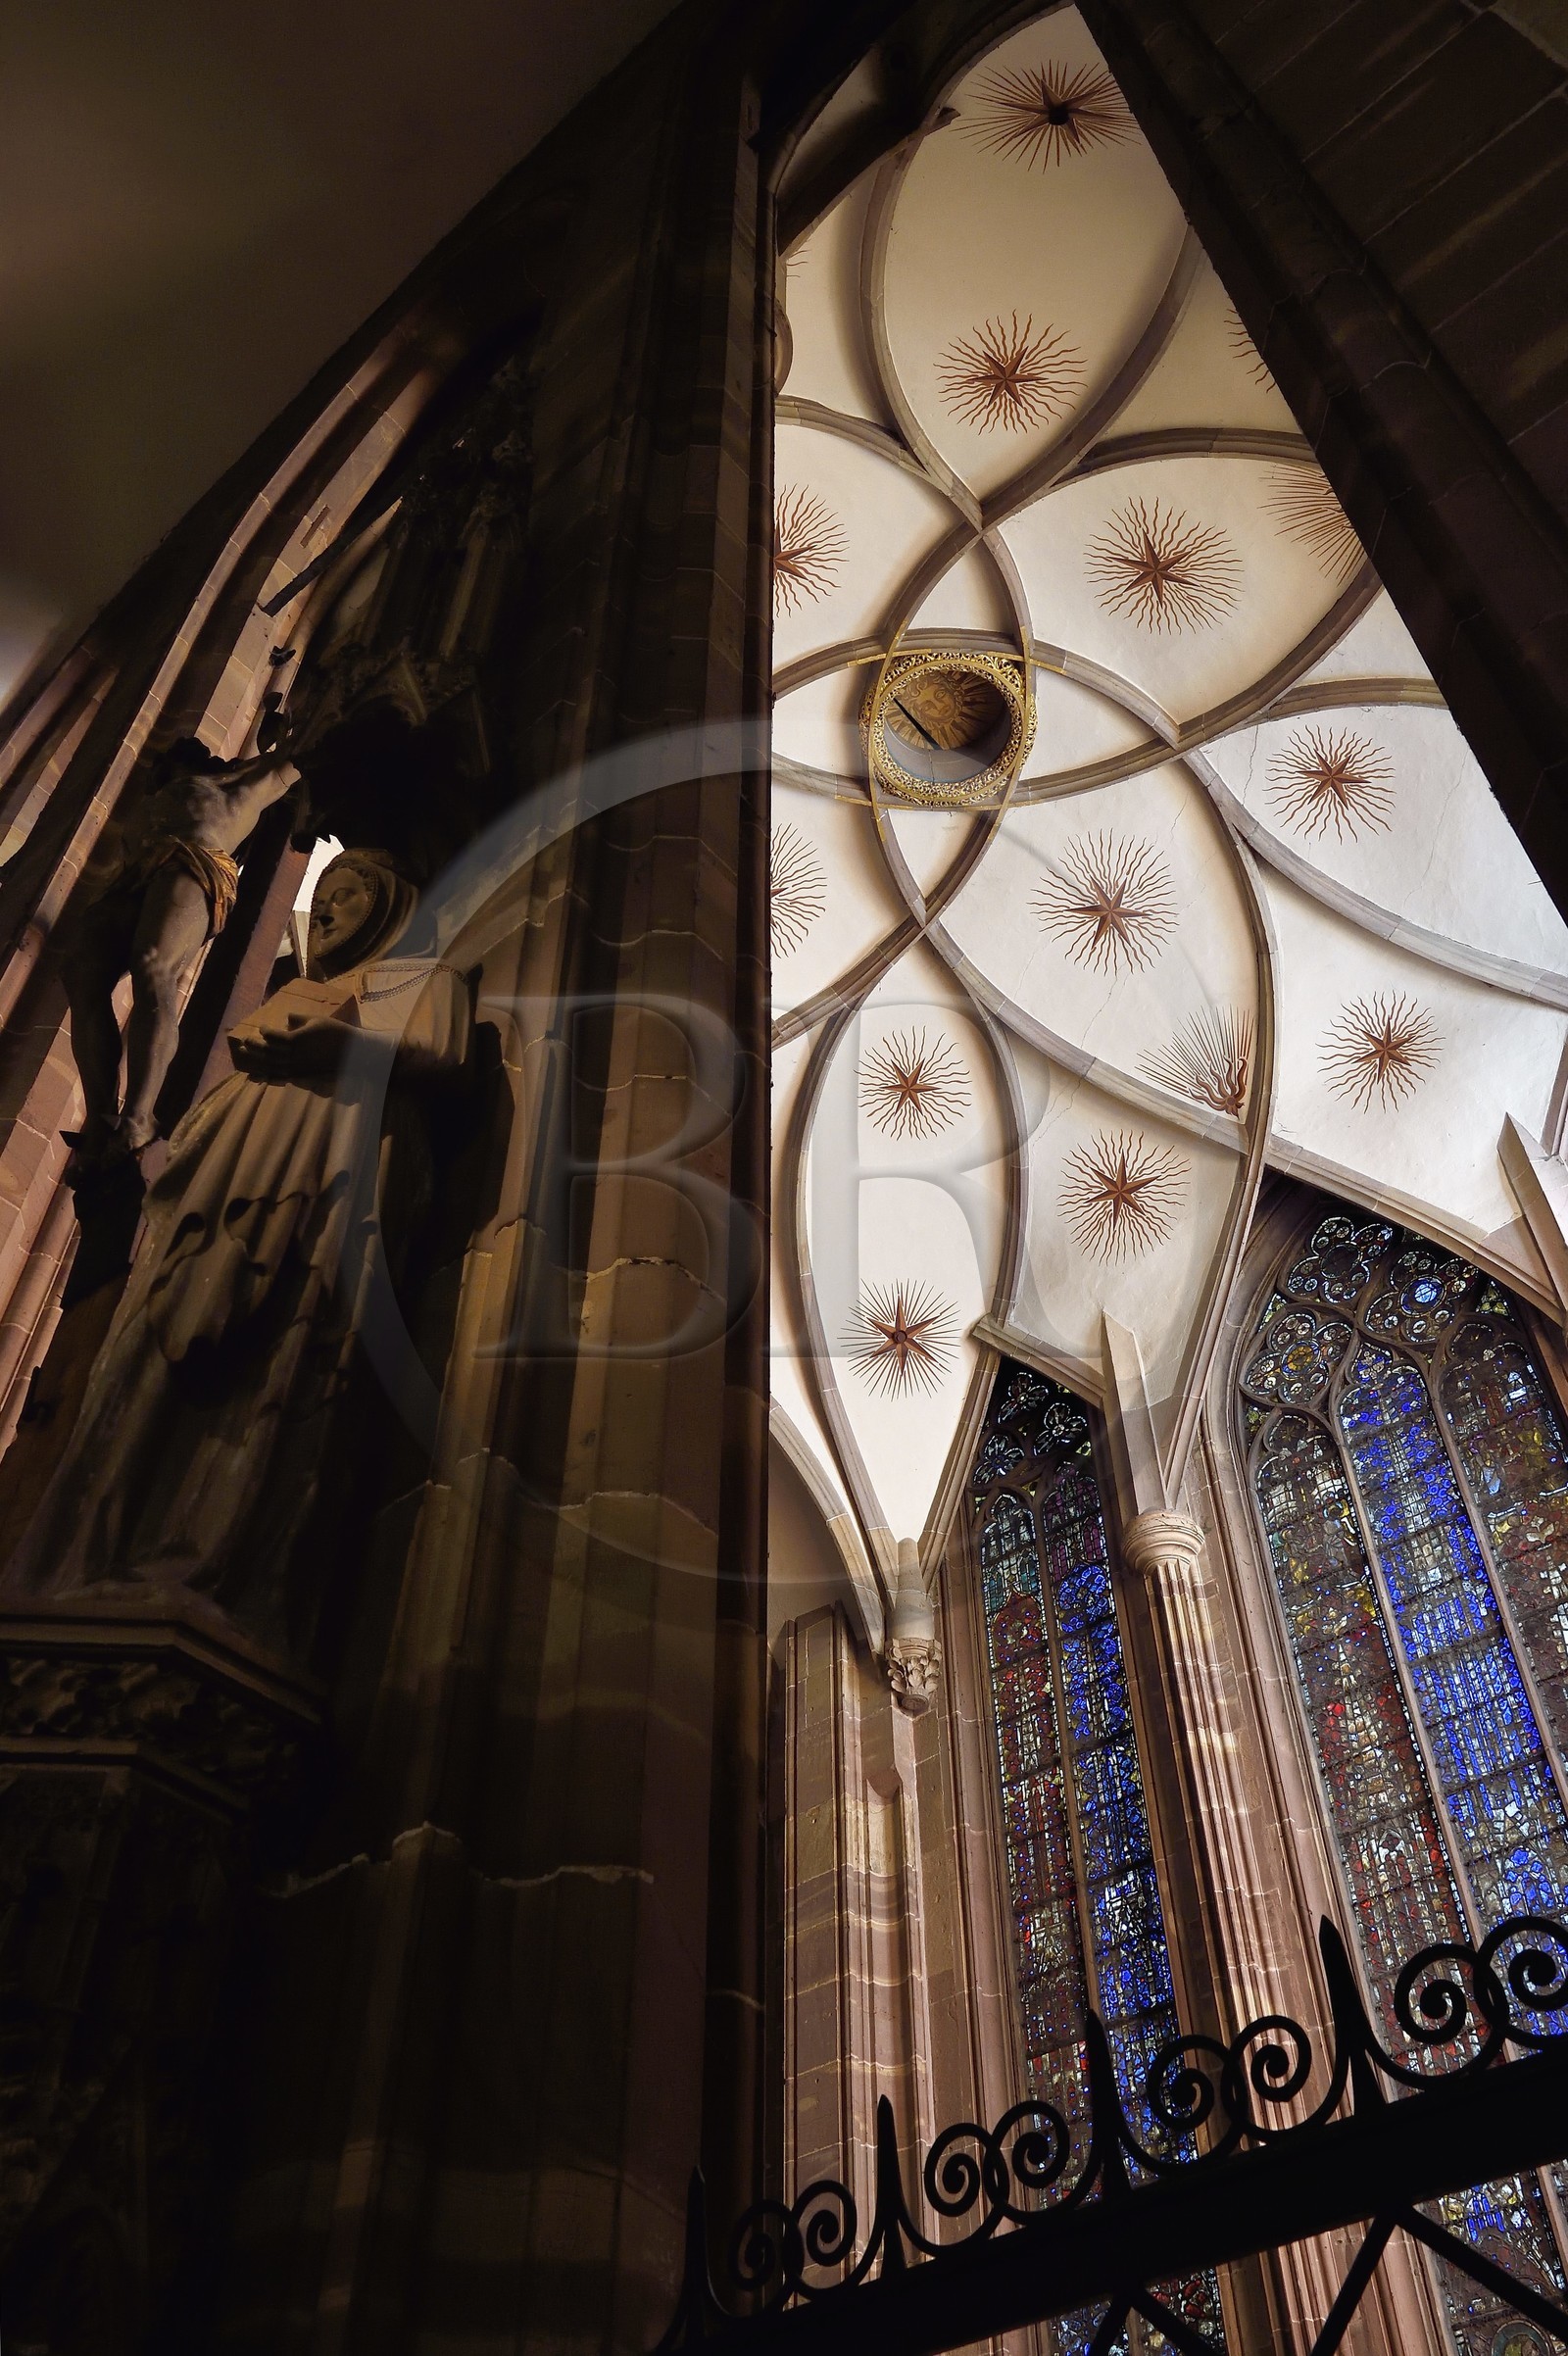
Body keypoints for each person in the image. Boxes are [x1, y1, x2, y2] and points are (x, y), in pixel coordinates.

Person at [7, 849, 472, 1657]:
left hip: (324, 1159)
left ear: (392, 905)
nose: (327, 910)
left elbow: (433, 1048)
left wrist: (334, 1045)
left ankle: (214, 1562)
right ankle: (90, 1549)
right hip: (239, 1167)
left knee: (284, 1346)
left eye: (349, 894)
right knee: (155, 1349)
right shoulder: (295, 988)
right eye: (324, 894)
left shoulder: (413, 979)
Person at [59, 734, 303, 1161]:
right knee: (80, 971)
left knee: (154, 964)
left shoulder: (236, 785)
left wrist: (294, 731)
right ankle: (100, 1117)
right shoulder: (154, 802)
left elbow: (296, 754)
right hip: (135, 877)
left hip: (195, 862)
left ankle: (140, 1117)